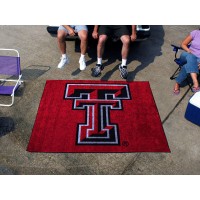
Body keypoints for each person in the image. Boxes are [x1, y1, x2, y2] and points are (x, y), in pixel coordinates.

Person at [173, 29, 200, 94]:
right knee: (190, 57)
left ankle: (177, 83)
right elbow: (183, 44)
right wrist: (189, 51)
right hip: (187, 54)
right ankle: (195, 82)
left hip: (198, 59)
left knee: (186, 66)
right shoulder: (195, 33)